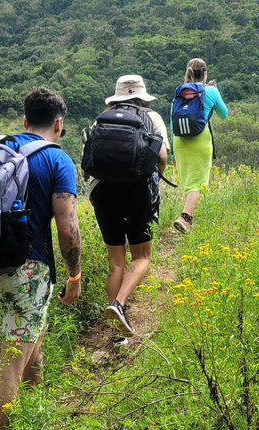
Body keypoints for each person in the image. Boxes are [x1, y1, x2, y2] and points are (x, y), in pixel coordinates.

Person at [0, 87, 82, 430]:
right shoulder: (57, 160)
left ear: (24, 120)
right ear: (58, 124)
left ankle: (35, 426)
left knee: (32, 339)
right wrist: (74, 274)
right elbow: (68, 228)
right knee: (12, 363)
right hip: (28, 273)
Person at [88, 75, 169, 335]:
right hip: (138, 189)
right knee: (142, 256)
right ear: (142, 95)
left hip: (102, 191)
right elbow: (162, 155)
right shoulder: (152, 117)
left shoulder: (102, 118)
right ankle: (119, 304)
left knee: (115, 261)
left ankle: (115, 335)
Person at [172, 58, 228, 234]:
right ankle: (185, 217)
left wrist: (173, 154)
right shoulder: (210, 90)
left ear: (188, 72)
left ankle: (188, 221)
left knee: (188, 182)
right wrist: (215, 91)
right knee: (198, 183)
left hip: (179, 140)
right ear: (205, 74)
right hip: (200, 140)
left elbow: (171, 121)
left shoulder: (180, 93)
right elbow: (223, 114)